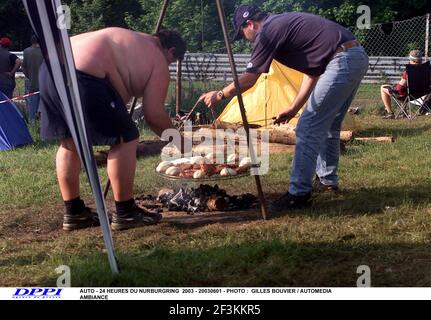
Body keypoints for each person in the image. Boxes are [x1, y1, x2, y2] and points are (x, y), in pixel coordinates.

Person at [200, 5, 369, 210]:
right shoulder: (281, 25)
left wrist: (220, 94)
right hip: (354, 55)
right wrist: (293, 107)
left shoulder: (268, 32)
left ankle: (298, 195)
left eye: (242, 33)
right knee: (331, 125)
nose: (245, 38)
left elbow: (249, 80)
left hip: (342, 59)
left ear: (250, 24)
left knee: (306, 127)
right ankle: (327, 182)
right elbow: (312, 73)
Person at [39, 27, 187, 231]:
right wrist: (179, 140)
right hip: (84, 75)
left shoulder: (133, 40)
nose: (170, 65)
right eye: (173, 61)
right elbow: (154, 115)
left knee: (70, 142)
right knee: (125, 139)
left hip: (49, 70)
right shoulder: (159, 59)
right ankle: (125, 212)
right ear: (171, 51)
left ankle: (74, 212)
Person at [380, 50, 423, 119]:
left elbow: (399, 88)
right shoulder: (426, 69)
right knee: (405, 89)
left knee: (383, 87)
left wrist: (395, 87)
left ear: (411, 59)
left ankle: (390, 113)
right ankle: (403, 112)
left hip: (408, 95)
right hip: (421, 94)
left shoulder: (409, 70)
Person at [22, 35, 44, 122]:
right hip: (44, 85)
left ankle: (32, 126)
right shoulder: (45, 51)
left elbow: (23, 67)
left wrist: (29, 76)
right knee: (44, 109)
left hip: (32, 84)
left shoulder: (26, 51)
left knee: (32, 109)